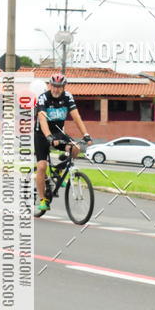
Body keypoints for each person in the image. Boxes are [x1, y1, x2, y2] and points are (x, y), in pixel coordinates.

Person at [34, 72, 91, 215]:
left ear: (64, 87)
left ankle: (59, 170)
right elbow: (42, 119)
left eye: (59, 87)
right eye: (53, 86)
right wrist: (48, 137)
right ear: (49, 85)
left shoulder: (68, 97)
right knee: (42, 166)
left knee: (76, 149)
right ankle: (42, 200)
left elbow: (76, 117)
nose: (56, 89)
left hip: (59, 132)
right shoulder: (43, 98)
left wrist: (86, 134)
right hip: (42, 134)